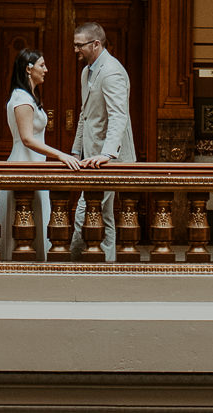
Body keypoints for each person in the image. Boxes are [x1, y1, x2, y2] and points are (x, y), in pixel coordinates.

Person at [0, 47, 82, 258]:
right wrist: (61, 155)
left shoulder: (30, 96)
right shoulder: (22, 99)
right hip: (22, 164)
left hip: (34, 164)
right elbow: (27, 139)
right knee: (24, 224)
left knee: (37, 221)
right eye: (42, 65)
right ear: (28, 69)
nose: (46, 69)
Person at [69, 21, 136, 260]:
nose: (76, 50)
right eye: (75, 45)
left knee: (87, 209)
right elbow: (85, 115)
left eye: (80, 45)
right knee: (103, 213)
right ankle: (106, 262)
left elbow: (119, 115)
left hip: (108, 158)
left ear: (96, 44)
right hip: (90, 155)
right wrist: (77, 150)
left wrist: (107, 154)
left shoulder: (112, 71)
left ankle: (73, 260)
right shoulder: (86, 71)